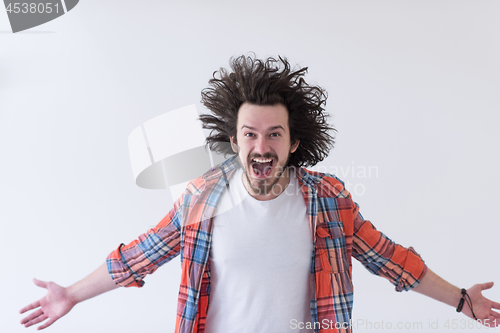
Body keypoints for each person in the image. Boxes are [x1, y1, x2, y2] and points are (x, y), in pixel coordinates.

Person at [20, 55, 500, 332]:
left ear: (294, 143)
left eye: (274, 135)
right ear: (234, 141)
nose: (261, 146)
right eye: (250, 134)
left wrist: (462, 299)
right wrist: (72, 296)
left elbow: (390, 259)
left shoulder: (329, 202)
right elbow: (140, 256)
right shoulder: (202, 199)